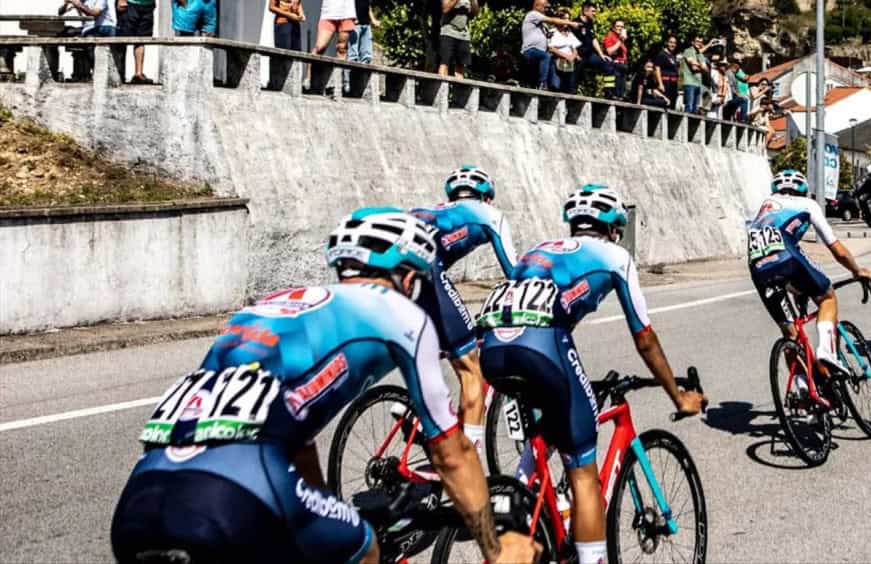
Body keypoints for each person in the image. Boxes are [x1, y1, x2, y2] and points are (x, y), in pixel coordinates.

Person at [109, 209, 536, 564]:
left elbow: (295, 438)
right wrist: (495, 549)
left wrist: (322, 504)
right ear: (408, 279)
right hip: (239, 492)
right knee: (364, 548)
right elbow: (450, 452)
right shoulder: (401, 315)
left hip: (138, 502)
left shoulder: (265, 308)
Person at [477, 185, 705, 564]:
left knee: (549, 428)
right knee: (584, 470)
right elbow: (645, 339)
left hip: (494, 348)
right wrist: (677, 396)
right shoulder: (615, 256)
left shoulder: (541, 249)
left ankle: (518, 495)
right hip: (541, 346)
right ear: (614, 229)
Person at [409, 166, 518, 460]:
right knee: (472, 369)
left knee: (430, 350)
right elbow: (517, 278)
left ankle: (415, 416)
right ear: (487, 197)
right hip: (427, 272)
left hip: (390, 272)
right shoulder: (489, 215)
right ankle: (466, 464)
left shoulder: (431, 210)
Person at [746, 169, 871, 373]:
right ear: (803, 189)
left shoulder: (765, 206)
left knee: (791, 335)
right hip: (787, 256)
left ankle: (802, 389)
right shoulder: (807, 204)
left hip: (758, 267)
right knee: (827, 298)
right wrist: (857, 270)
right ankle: (827, 351)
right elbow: (837, 249)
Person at [59, 0, 116, 80]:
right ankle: (91, 72)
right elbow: (60, 13)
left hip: (105, 27)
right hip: (88, 28)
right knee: (68, 34)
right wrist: (65, 4)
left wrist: (80, 6)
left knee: (93, 39)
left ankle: (103, 72)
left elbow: (95, 14)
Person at [520, 0, 578, 89]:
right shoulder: (533, 14)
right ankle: (542, 83)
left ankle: (554, 86)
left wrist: (547, 35)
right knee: (546, 56)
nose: (546, 10)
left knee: (551, 62)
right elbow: (552, 20)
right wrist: (571, 23)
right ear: (537, 5)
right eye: (544, 7)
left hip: (540, 53)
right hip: (530, 50)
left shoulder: (542, 24)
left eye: (547, 8)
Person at [439, 0, 478, 79]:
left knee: (461, 65)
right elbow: (445, 9)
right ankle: (441, 91)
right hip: (449, 30)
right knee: (445, 61)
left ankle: (459, 94)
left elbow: (475, 13)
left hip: (463, 33)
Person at [547, 12, 582, 94]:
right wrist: (566, 56)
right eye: (565, 19)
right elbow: (551, 48)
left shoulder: (569, 33)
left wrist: (572, 56)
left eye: (568, 19)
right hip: (557, 60)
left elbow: (575, 48)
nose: (567, 21)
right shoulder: (552, 32)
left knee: (569, 89)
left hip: (569, 63)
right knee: (555, 87)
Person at [599, 19, 630, 99]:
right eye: (618, 26)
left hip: (622, 67)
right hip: (614, 67)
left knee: (621, 93)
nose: (620, 28)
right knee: (614, 91)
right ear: (613, 27)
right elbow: (609, 51)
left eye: (622, 27)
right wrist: (620, 41)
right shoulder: (610, 36)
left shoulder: (620, 39)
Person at [680, 35, 709, 114]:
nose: (698, 43)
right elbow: (693, 66)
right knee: (689, 106)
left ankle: (692, 125)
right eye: (697, 41)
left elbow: (706, 70)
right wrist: (702, 67)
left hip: (698, 83)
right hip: (689, 82)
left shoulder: (700, 55)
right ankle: (685, 125)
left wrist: (700, 66)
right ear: (693, 42)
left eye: (700, 42)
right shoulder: (688, 51)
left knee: (695, 109)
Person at [652, 35, 681, 108]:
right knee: (665, 104)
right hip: (665, 82)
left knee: (672, 105)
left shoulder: (673, 56)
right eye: (670, 42)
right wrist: (660, 83)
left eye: (674, 43)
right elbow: (657, 68)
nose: (672, 45)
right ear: (667, 43)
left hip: (673, 85)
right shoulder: (662, 54)